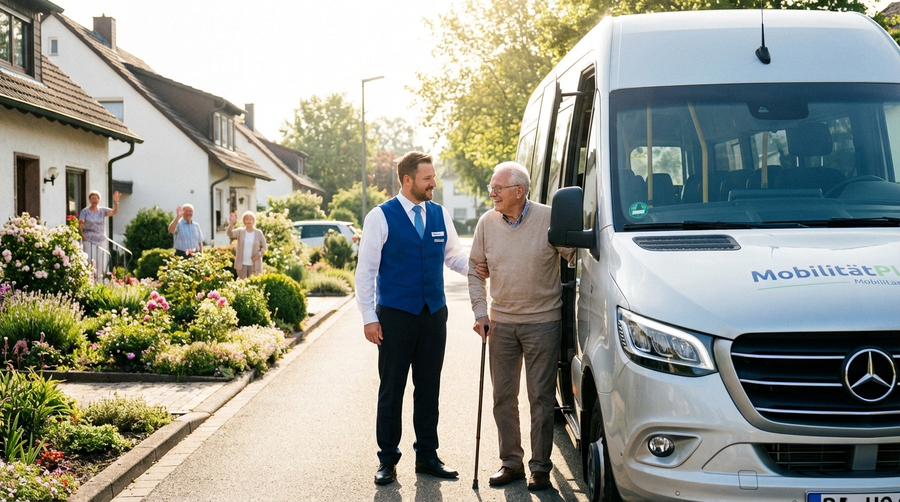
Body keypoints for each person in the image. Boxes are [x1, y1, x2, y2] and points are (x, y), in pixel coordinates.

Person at [354, 151, 469, 486]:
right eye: (427, 178)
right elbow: (366, 271)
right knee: (392, 389)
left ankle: (427, 456)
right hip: (395, 316)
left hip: (433, 315)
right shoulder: (380, 217)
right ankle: (387, 459)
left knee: (429, 387)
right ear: (408, 180)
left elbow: (454, 257)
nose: (434, 183)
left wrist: (481, 267)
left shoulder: (439, 214)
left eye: (433, 177)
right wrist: (368, 317)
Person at [467, 161, 575, 492]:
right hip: (500, 324)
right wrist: (480, 313)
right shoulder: (487, 223)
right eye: (491, 188)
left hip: (543, 322)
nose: (492, 193)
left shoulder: (549, 218)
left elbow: (576, 256)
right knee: (503, 397)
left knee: (541, 398)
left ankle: (540, 467)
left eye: (498, 188)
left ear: (519, 191)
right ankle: (511, 463)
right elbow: (474, 270)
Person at [79, 190, 120, 280]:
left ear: (99, 200)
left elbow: (114, 212)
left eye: (96, 198)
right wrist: (84, 238)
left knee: (100, 262)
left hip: (100, 240)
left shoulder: (102, 210)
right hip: (88, 240)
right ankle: (89, 280)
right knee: (89, 261)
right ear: (89, 199)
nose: (95, 200)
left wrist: (116, 202)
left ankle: (99, 281)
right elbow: (80, 225)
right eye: (93, 198)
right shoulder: (85, 211)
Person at [226, 211, 267, 279]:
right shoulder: (240, 231)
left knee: (253, 283)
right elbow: (229, 234)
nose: (248, 221)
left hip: (255, 264)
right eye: (246, 219)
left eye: (250, 219)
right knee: (242, 283)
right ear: (244, 221)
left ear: (253, 220)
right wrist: (231, 223)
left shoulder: (258, 233)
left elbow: (264, 247)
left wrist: (259, 254)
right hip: (242, 264)